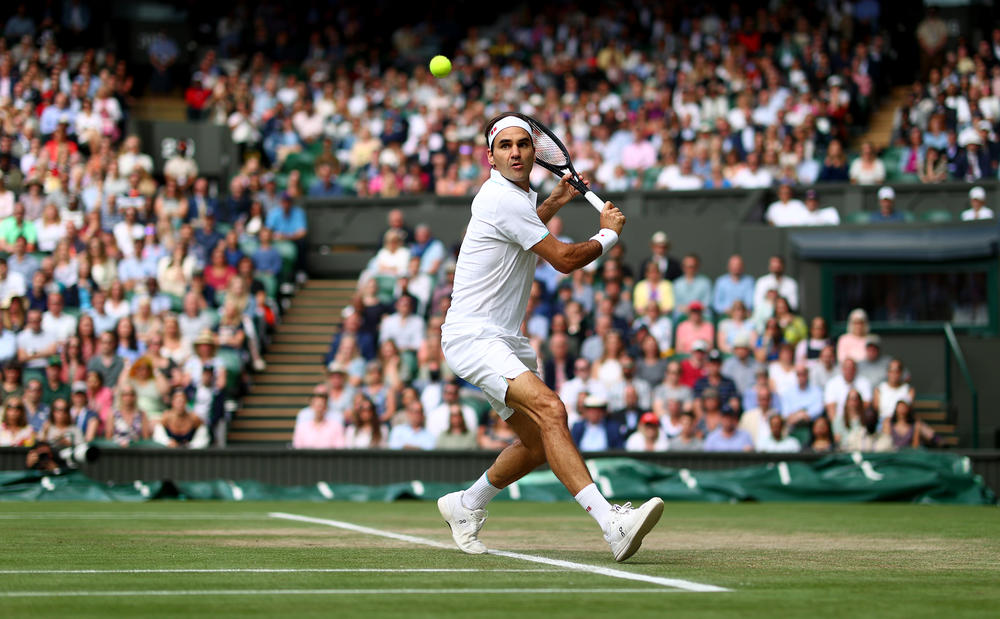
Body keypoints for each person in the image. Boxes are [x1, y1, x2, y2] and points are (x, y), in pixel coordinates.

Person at [437, 113, 662, 562]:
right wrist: (608, 235)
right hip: (473, 336)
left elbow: (522, 238)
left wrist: (556, 202)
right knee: (551, 409)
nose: (516, 152)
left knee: (538, 442)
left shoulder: (517, 200)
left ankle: (466, 504)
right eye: (505, 146)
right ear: (491, 157)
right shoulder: (501, 198)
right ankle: (611, 523)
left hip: (502, 337)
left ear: (534, 152)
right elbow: (560, 258)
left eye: (523, 144)